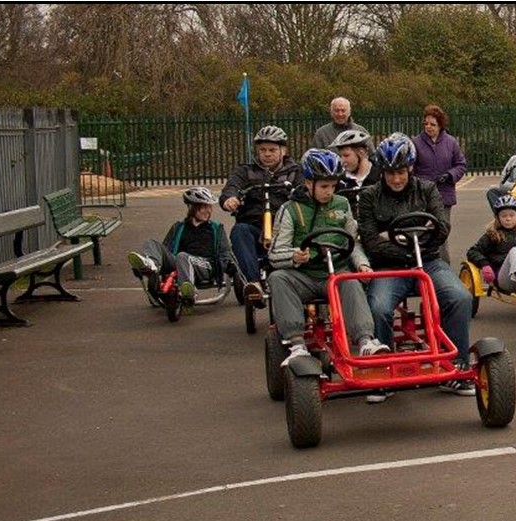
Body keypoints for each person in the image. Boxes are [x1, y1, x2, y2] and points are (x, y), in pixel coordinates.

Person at [357, 133, 475, 399]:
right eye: (389, 173)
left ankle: (455, 366)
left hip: (429, 262)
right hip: (390, 268)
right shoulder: (369, 196)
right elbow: (371, 242)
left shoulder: (427, 189)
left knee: (460, 297)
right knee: (379, 307)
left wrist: (395, 237)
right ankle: (382, 373)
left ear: (410, 167)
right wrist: (408, 246)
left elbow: (441, 229)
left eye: (400, 172)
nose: (396, 179)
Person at [267, 149, 389, 362]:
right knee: (278, 278)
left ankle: (365, 341)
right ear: (308, 183)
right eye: (324, 186)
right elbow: (274, 254)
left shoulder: (342, 205)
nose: (329, 191)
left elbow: (353, 243)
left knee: (351, 281)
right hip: (303, 276)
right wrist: (294, 256)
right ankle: (296, 344)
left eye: (333, 186)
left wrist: (362, 264)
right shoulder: (291, 209)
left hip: (336, 273)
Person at [221, 125, 300, 305]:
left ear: (283, 150)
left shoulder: (296, 171)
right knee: (239, 231)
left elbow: (307, 190)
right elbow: (232, 187)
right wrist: (230, 198)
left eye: (272, 150)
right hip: (255, 229)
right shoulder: (246, 171)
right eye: (262, 150)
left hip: (287, 230)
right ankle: (254, 283)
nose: (267, 154)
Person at [127, 187, 235, 305]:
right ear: (192, 208)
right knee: (151, 243)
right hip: (179, 262)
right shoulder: (179, 227)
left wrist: (228, 266)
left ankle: (188, 292)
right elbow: (166, 249)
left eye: (209, 207)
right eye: (203, 207)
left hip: (206, 265)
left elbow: (225, 252)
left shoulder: (216, 228)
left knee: (183, 256)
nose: (208, 211)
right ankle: (150, 265)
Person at [465, 186, 516, 294]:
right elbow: (473, 252)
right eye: (503, 215)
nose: (508, 218)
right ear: (497, 217)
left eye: (511, 215)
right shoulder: (492, 235)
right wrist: (485, 265)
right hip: (505, 279)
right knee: (515, 251)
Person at [412, 104, 467, 223]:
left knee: (441, 231)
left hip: (444, 194)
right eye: (426, 124)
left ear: (440, 125)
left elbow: (461, 164)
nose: (428, 127)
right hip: (422, 196)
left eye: (432, 124)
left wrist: (450, 175)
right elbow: (411, 169)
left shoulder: (451, 142)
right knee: (421, 232)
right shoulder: (416, 143)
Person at [330, 128, 379, 206]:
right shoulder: (338, 180)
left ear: (361, 153)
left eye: (346, 155)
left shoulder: (380, 176)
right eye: (340, 156)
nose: (342, 160)